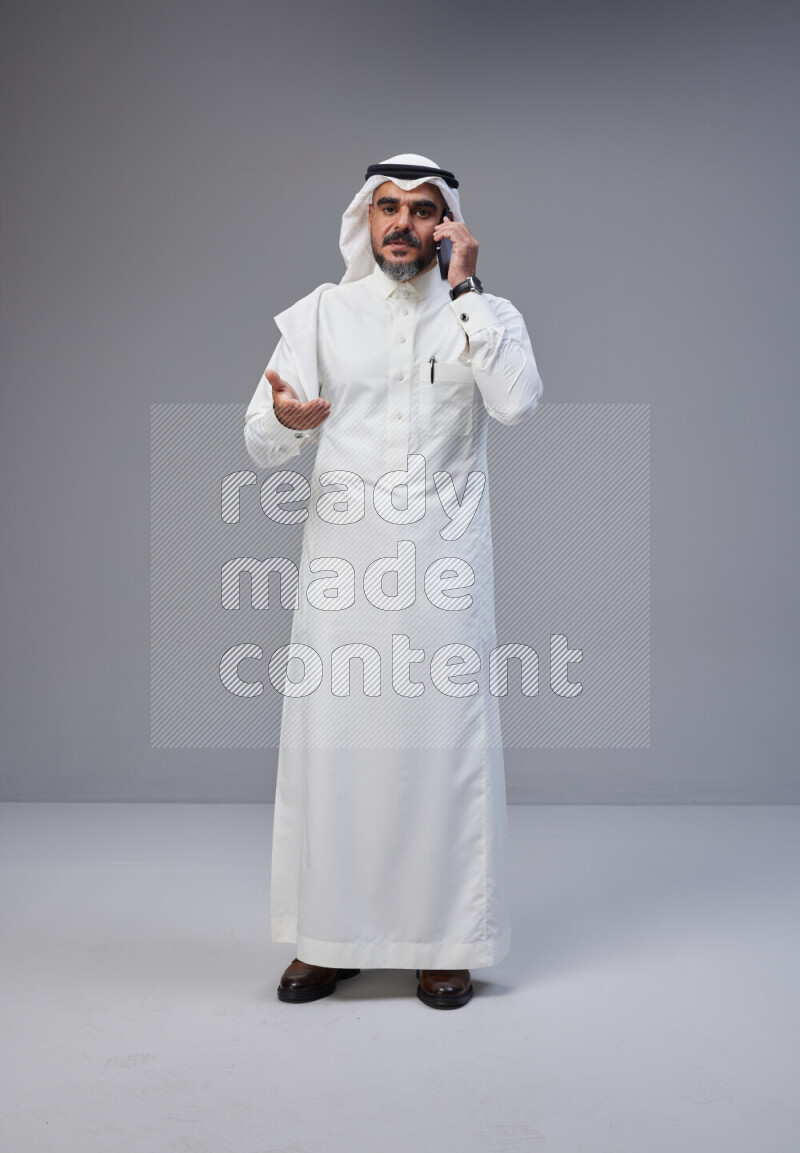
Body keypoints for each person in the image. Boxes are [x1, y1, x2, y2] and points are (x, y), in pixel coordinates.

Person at [243, 154, 543, 1009]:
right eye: (388, 209)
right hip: (343, 575)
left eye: (422, 210)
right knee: (334, 755)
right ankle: (327, 940)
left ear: (448, 226)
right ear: (365, 222)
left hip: (444, 578)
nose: (403, 224)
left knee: (441, 756)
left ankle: (444, 943)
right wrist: (288, 422)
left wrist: (469, 291)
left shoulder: (483, 314)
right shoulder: (321, 316)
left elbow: (518, 404)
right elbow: (259, 437)